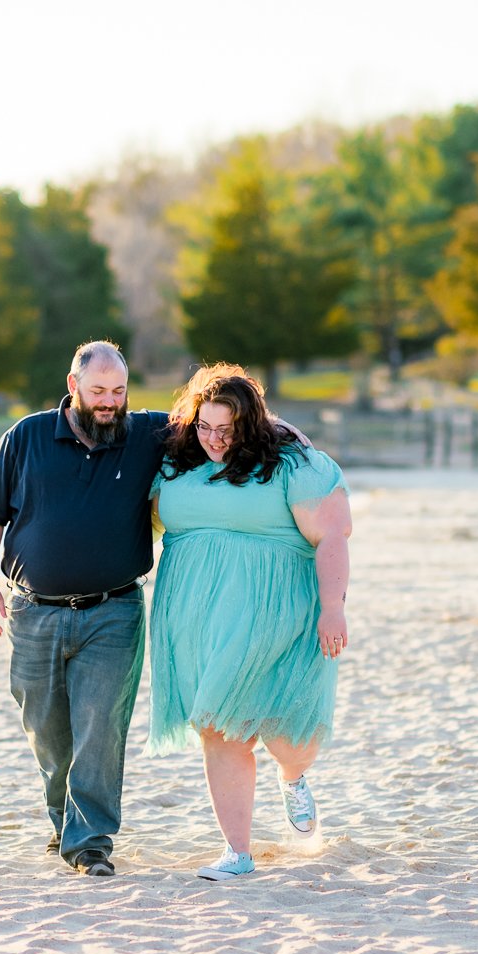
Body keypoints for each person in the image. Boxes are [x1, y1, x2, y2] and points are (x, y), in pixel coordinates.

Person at [0, 340, 171, 877]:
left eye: (119, 391)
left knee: (100, 728)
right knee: (46, 730)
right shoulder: (27, 436)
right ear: (73, 386)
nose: (110, 402)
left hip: (114, 612)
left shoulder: (148, 433)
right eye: (99, 390)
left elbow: (219, 415)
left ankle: (90, 844)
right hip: (33, 612)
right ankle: (65, 820)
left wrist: (282, 431)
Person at [146, 364, 351, 881]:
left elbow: (333, 536)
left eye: (227, 430)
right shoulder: (174, 462)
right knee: (217, 726)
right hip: (196, 614)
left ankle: (293, 775)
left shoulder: (289, 462)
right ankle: (237, 852)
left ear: (251, 427)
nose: (214, 440)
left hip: (278, 611)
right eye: (204, 427)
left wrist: (333, 607)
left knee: (285, 731)